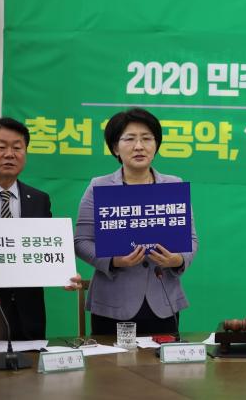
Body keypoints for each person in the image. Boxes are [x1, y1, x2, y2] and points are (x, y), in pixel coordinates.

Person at [74, 108, 198, 335]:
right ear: (115, 148)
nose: (139, 146)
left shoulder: (173, 185)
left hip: (163, 302)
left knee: (161, 359)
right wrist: (114, 261)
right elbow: (81, 242)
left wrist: (178, 260)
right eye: (130, 139)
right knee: (111, 359)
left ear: (156, 145)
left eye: (147, 139)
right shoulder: (99, 187)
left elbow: (191, 239)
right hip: (112, 303)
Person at [0, 117, 81, 340]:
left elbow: (46, 250)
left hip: (28, 318)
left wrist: (64, 273)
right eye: (1, 147)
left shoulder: (39, 199)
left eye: (17, 148)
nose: (10, 154)